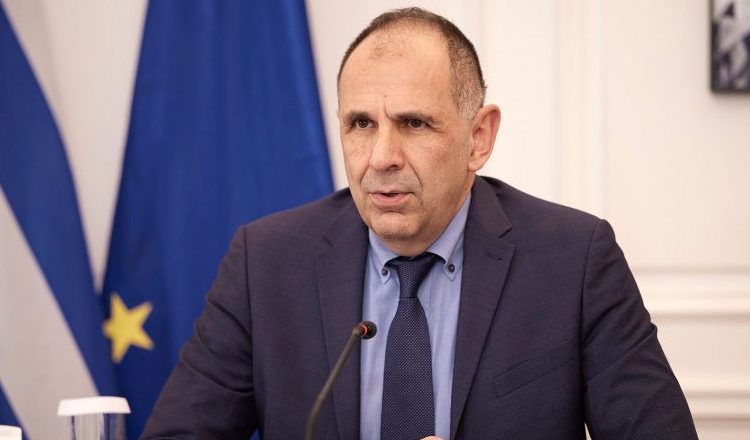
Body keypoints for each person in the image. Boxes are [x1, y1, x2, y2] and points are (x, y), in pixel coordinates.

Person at [141, 7, 697, 440]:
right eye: (361, 123)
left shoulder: (574, 261)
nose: (381, 157)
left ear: (478, 137)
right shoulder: (265, 263)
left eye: (413, 123)